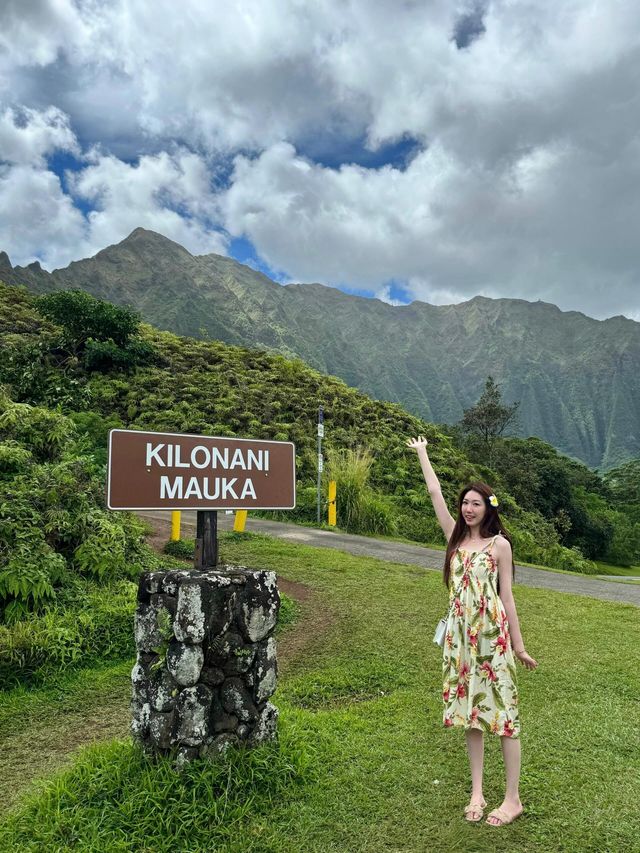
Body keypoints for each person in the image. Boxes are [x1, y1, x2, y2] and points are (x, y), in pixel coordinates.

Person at [406, 434, 538, 827]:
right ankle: (477, 792)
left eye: (475, 503)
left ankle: (512, 799)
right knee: (471, 715)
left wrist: (519, 645)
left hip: (491, 640)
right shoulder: (454, 538)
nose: (466, 509)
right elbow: (434, 494)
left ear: (488, 508)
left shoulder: (500, 546)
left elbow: (508, 598)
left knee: (505, 716)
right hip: (460, 642)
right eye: (464, 503)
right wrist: (423, 453)